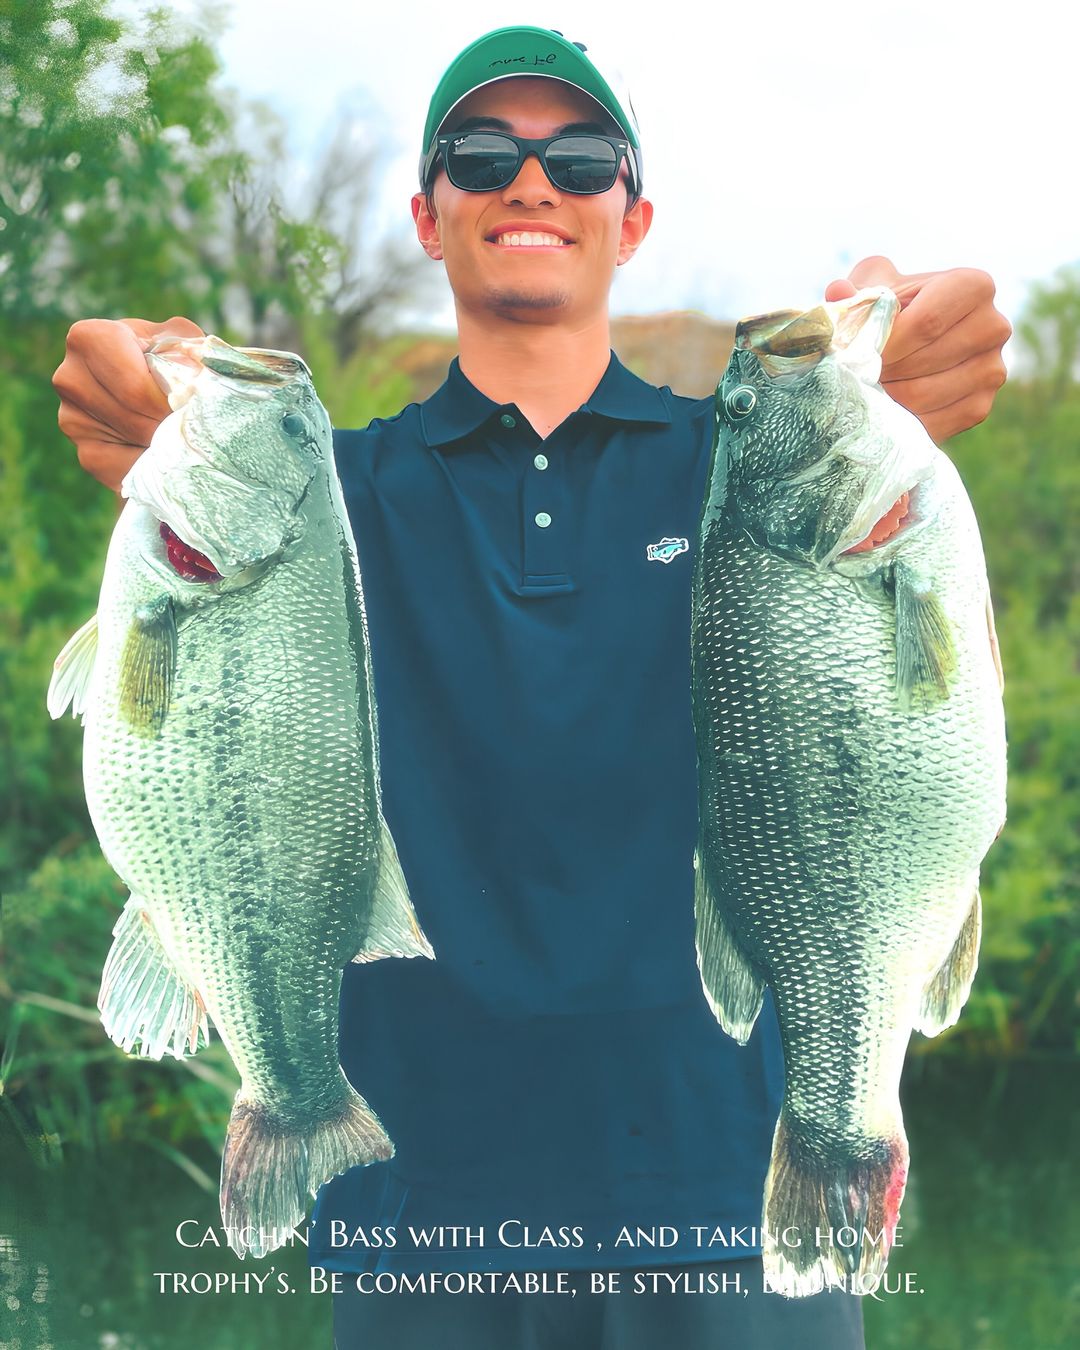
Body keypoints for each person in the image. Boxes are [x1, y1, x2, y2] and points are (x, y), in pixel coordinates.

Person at [53, 25, 1010, 1350]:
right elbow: (150, 431)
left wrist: (912, 336)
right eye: (482, 152)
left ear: (633, 215)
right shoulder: (326, 498)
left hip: (731, 1206)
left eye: (581, 157)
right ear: (427, 216)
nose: (531, 181)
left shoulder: (743, 467)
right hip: (415, 1225)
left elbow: (908, 383)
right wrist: (138, 381)